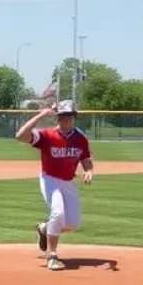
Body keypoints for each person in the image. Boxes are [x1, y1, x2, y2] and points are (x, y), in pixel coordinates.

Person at [15, 99, 94, 270]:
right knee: (57, 214)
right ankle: (52, 256)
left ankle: (44, 229)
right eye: (62, 116)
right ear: (57, 117)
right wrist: (41, 114)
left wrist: (88, 171)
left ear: (74, 117)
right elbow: (20, 136)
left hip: (68, 182)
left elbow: (86, 159)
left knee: (72, 224)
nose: (66, 120)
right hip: (50, 179)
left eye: (69, 116)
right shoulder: (47, 135)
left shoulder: (81, 138)